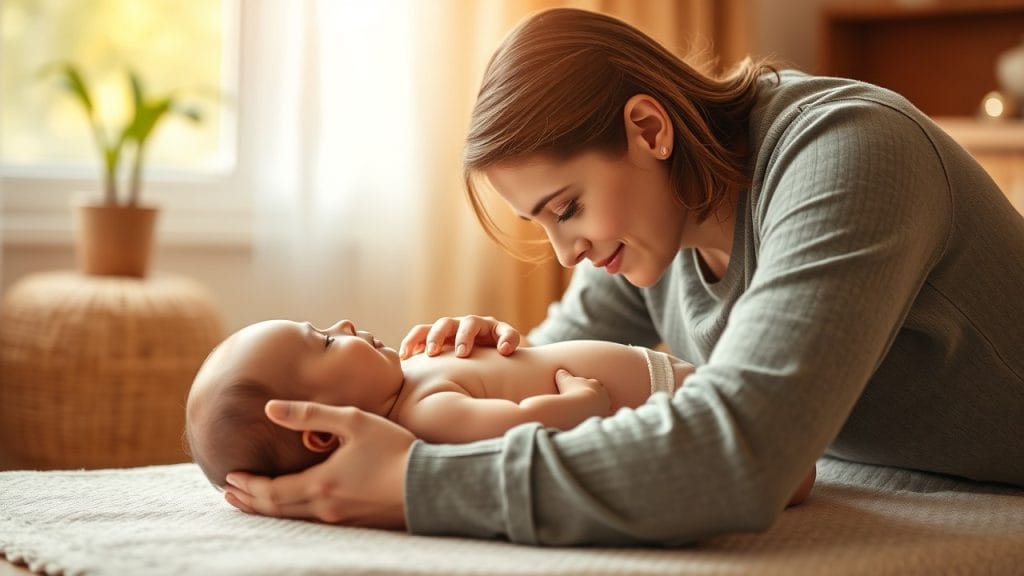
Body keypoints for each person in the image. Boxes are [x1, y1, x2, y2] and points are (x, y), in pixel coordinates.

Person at [222, 8, 1024, 545]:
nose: (566, 251)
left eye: (567, 207)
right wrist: (485, 361)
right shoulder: (647, 240)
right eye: (543, 223)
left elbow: (733, 456)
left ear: (649, 128)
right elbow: (559, 370)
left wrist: (419, 484)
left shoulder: (850, 154)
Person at [187, 318, 818, 504]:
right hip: (656, 401)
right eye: (324, 341)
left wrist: (482, 333)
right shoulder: (427, 416)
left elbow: (503, 368)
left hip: (666, 375)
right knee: (783, 460)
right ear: (322, 431)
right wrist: (581, 403)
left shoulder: (412, 373)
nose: (344, 323)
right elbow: (523, 429)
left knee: (771, 411)